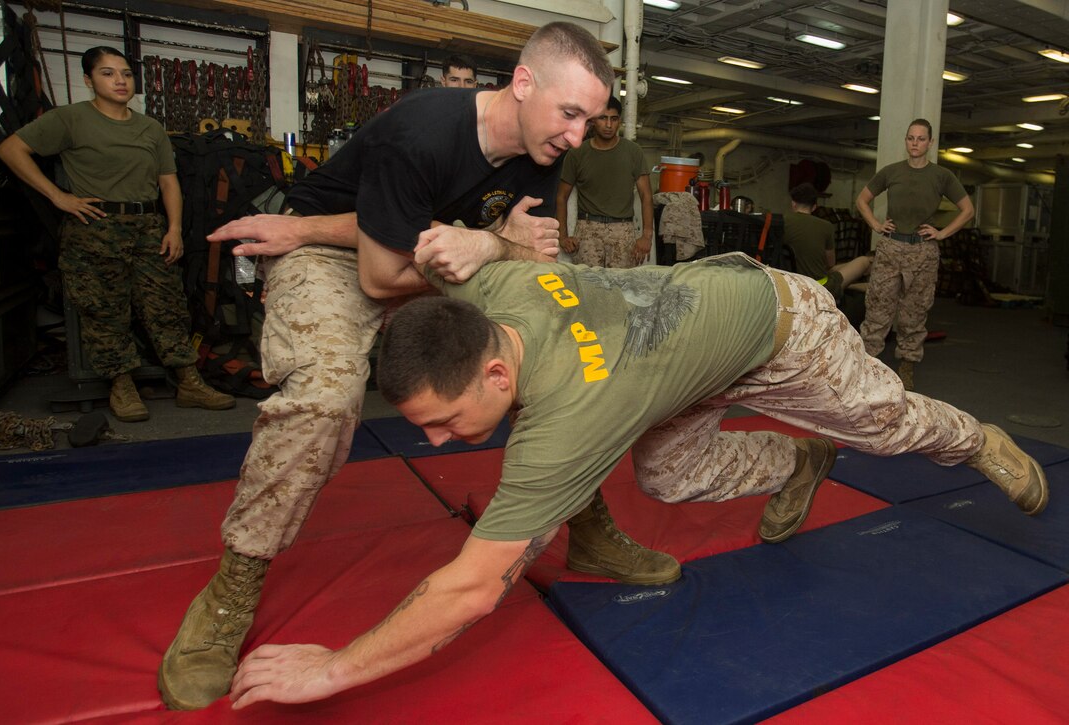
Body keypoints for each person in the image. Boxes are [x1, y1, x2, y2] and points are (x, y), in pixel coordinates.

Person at [225, 251, 1047, 709]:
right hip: (680, 361)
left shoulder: (568, 419)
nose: (437, 442)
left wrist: (332, 668)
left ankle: (977, 439)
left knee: (888, 426)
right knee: (666, 473)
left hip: (782, 325)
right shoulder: (484, 292)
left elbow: (469, 590)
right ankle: (799, 460)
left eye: (444, 421)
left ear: (499, 375)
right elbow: (402, 253)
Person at [158, 22, 678, 711]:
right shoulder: (425, 132)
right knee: (323, 396)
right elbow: (380, 273)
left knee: (539, 345)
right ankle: (234, 585)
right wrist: (493, 242)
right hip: (344, 262)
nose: (578, 137)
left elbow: (514, 248)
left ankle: (588, 528)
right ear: (523, 85)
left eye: (590, 118)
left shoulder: (543, 146)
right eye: (570, 114)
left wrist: (491, 247)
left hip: (433, 256)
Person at [0, 46, 234, 422]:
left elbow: (168, 182)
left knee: (167, 307)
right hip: (95, 228)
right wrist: (59, 197)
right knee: (104, 312)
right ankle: (121, 387)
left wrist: (173, 228)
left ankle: (189, 382)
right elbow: (11, 150)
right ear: (88, 80)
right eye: (108, 73)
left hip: (148, 227)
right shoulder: (70, 119)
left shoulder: (149, 127)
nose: (120, 80)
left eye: (125, 73)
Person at [855, 118, 974, 391]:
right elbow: (862, 200)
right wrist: (875, 224)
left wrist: (943, 233)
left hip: (922, 251)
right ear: (906, 141)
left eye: (921, 139)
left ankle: (907, 366)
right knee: (878, 309)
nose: (915, 143)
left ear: (930, 143)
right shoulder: (891, 171)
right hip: (890, 247)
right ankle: (866, 366)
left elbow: (968, 209)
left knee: (914, 312)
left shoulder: (942, 176)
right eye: (911, 138)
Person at [556, 96, 653, 267]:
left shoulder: (633, 152)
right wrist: (562, 236)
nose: (609, 125)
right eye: (603, 118)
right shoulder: (577, 153)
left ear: (619, 121)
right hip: (587, 231)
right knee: (588, 286)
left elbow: (646, 196)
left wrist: (647, 236)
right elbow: (561, 196)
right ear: (593, 120)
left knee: (621, 288)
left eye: (614, 119)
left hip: (622, 230)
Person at [784, 182, 871, 302]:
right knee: (865, 261)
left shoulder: (781, 222)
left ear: (793, 204)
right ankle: (849, 286)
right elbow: (830, 263)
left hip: (787, 282)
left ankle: (847, 285)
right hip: (820, 287)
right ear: (814, 207)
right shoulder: (826, 226)